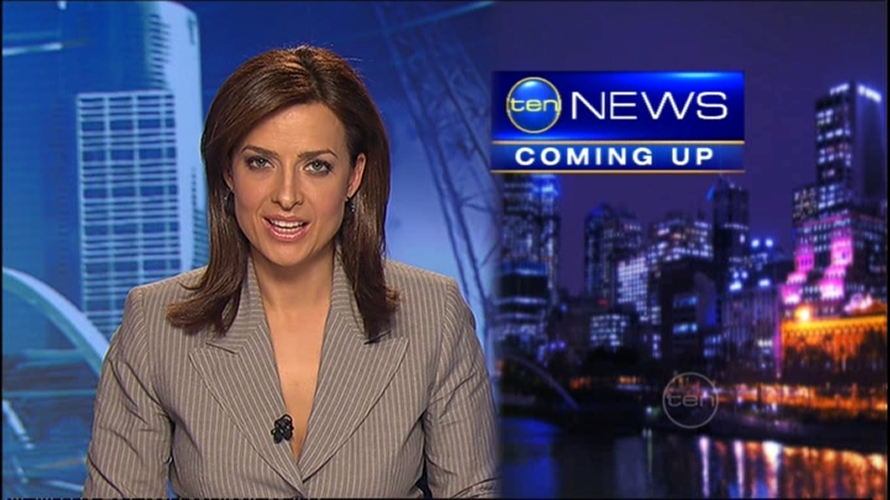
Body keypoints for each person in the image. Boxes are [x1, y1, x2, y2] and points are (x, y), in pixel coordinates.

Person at [82, 45, 499, 499]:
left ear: (353, 177)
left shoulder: (433, 315)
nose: (286, 195)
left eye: (317, 167)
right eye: (260, 162)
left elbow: (473, 490)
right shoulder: (155, 323)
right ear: (228, 171)